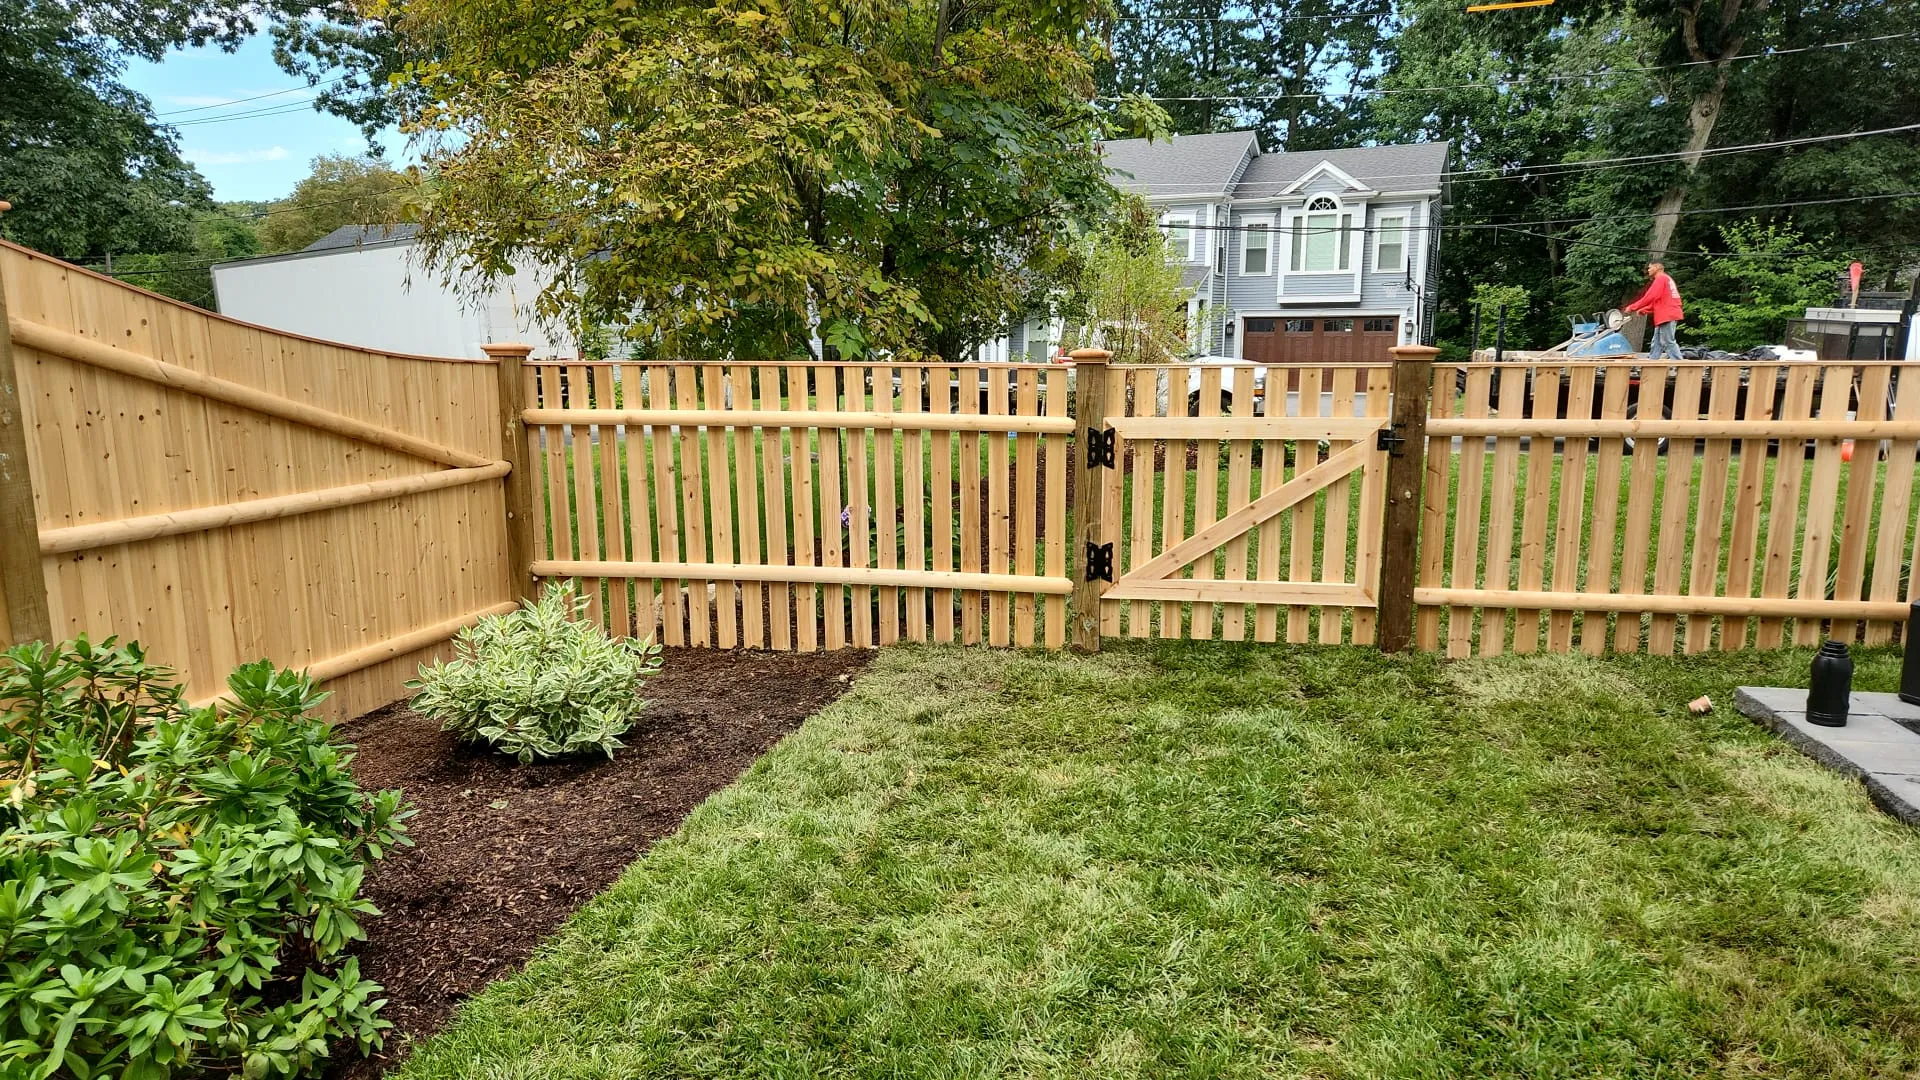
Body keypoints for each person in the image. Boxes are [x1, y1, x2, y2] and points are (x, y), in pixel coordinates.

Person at [1624, 261, 1684, 361]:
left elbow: (1651, 296)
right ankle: (1653, 360)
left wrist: (1633, 307)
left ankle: (1678, 363)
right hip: (1665, 314)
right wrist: (1644, 310)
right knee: (1657, 341)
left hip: (1667, 315)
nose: (1648, 270)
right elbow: (1659, 300)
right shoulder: (1666, 279)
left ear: (1656, 267)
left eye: (1650, 268)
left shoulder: (1661, 278)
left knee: (1667, 341)